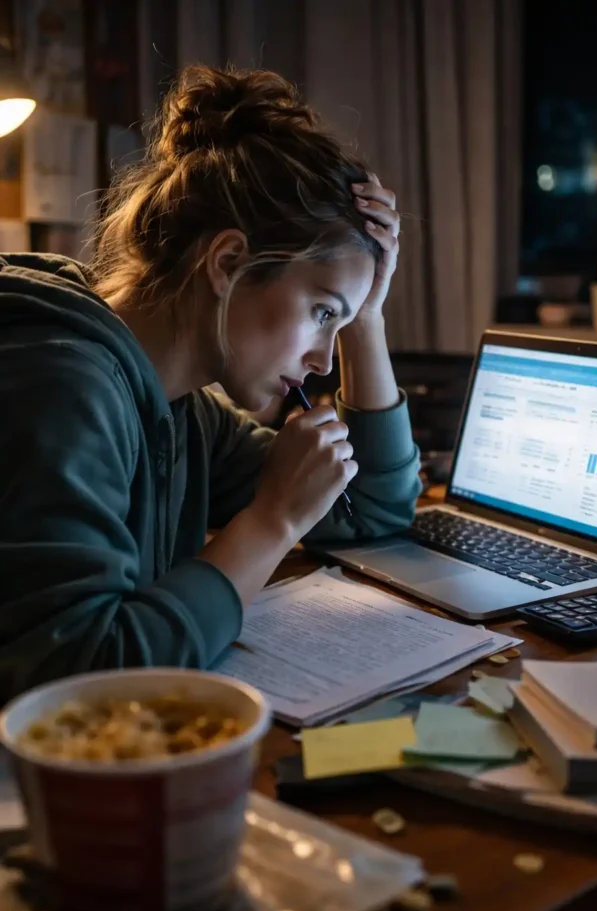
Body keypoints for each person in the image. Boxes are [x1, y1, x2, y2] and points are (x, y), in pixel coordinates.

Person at [0, 64, 421, 699]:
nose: (325, 363)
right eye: (322, 313)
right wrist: (272, 522)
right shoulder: (63, 386)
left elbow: (373, 511)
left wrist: (367, 319)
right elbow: (83, 677)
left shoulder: (184, 408)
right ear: (228, 262)